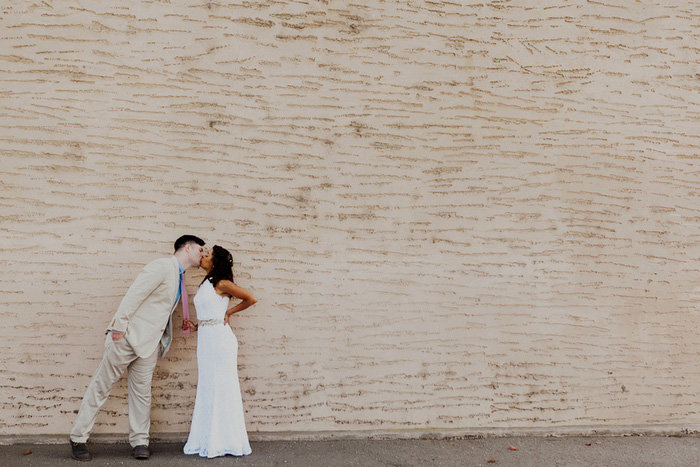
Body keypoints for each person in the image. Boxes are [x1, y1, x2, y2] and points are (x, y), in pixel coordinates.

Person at [69, 235, 206, 462]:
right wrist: (119, 326)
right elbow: (135, 294)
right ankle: (78, 438)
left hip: (149, 344)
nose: (203, 254)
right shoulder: (161, 266)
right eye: (201, 249)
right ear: (188, 247)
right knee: (101, 387)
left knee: (142, 395)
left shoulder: (180, 277)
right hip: (126, 338)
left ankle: (140, 442)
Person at [182, 245, 257, 458]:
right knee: (208, 387)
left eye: (208, 255)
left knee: (222, 388)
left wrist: (229, 313)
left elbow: (251, 298)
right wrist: (195, 326)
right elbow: (209, 312)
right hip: (207, 340)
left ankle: (226, 441)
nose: (204, 256)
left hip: (221, 342)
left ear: (215, 262)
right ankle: (208, 438)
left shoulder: (222, 283)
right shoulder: (206, 282)